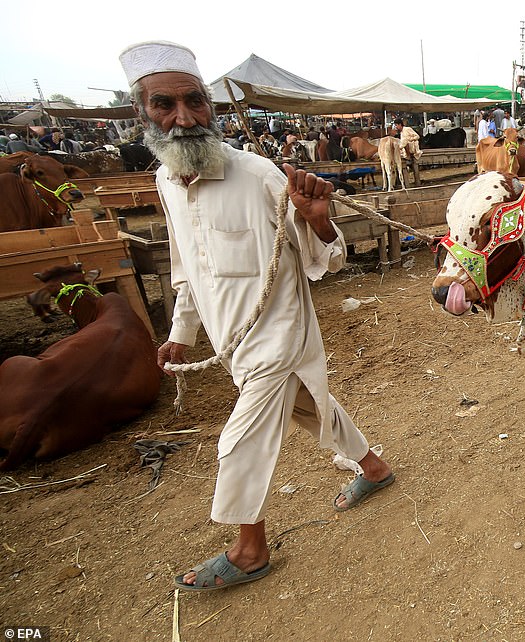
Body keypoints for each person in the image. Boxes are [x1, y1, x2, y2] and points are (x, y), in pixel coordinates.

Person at [119, 40, 394, 592]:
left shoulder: (260, 175)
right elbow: (186, 266)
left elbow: (327, 262)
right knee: (311, 408)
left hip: (279, 332)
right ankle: (375, 469)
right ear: (140, 113)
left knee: (238, 439)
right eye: (164, 105)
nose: (183, 118)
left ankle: (250, 549)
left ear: (211, 107)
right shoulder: (164, 182)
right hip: (231, 342)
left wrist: (318, 221)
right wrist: (181, 333)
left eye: (194, 101)